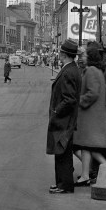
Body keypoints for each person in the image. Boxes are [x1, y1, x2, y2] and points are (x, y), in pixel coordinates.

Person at [46, 39, 82, 194]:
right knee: (62, 152)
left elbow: (69, 99)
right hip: (66, 120)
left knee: (63, 153)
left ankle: (65, 185)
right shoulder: (72, 69)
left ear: (65, 54)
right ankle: (61, 182)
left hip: (63, 120)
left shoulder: (68, 72)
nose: (59, 54)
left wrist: (56, 111)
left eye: (61, 52)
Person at [73, 42, 106, 186]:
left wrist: (79, 101)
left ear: (91, 57)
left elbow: (92, 93)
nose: (83, 57)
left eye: (85, 54)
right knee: (86, 147)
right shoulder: (96, 70)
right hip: (92, 115)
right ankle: (86, 175)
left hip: (90, 116)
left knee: (87, 146)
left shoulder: (92, 71)